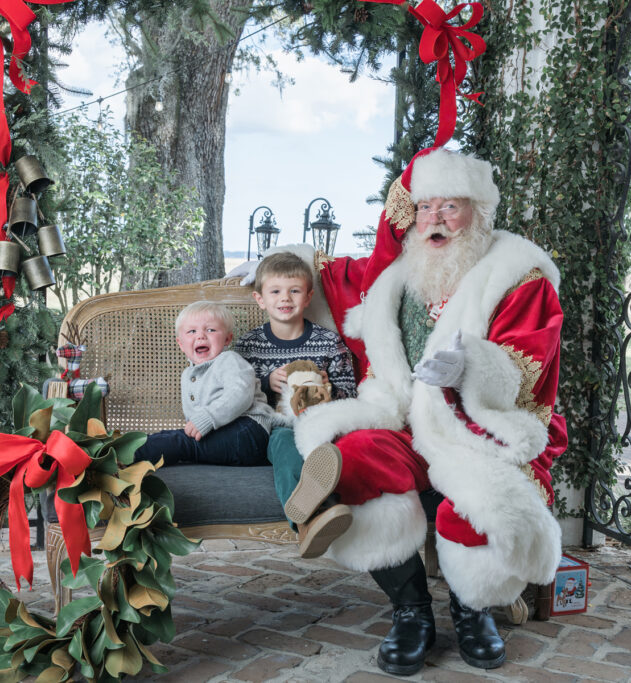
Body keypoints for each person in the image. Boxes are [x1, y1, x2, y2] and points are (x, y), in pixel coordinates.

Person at [253, 147, 567, 675]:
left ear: (479, 213)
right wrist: (274, 262)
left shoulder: (518, 273)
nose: (436, 220)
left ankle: (473, 611)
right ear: (411, 216)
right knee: (349, 461)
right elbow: (331, 273)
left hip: (478, 429)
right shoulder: (398, 273)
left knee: (478, 501)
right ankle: (411, 611)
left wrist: (469, 369)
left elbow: (529, 364)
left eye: (451, 207)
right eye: (425, 208)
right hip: (401, 420)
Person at [235, 253, 357, 557]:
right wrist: (265, 382)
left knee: (334, 448)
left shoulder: (329, 342)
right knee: (285, 443)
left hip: (322, 425)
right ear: (260, 299)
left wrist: (325, 388)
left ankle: (320, 508)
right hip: (275, 427)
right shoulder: (248, 346)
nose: (284, 298)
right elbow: (231, 394)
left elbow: (351, 393)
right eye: (275, 291)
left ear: (308, 297)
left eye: (294, 290)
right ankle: (308, 523)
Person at [133, 301, 285, 466]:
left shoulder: (229, 360)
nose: (200, 336)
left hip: (249, 431)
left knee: (180, 443)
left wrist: (207, 418)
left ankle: (124, 455)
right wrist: (196, 425)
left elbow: (240, 393)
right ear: (180, 344)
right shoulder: (187, 375)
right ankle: (125, 448)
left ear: (227, 338)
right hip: (224, 435)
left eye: (210, 330)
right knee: (170, 438)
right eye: (192, 331)